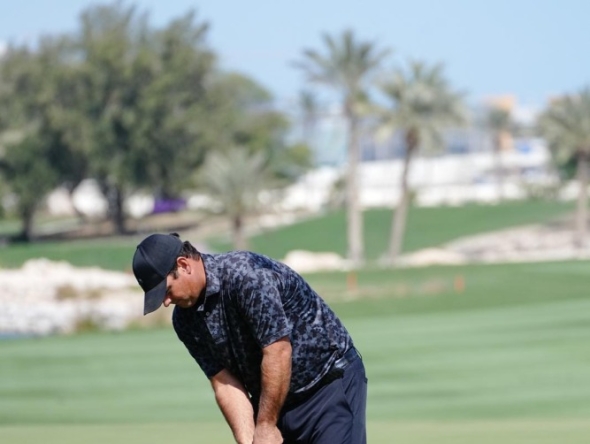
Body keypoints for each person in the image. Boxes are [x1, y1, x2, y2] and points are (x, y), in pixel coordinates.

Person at [132, 232, 367, 444]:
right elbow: (224, 383)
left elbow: (277, 351)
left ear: (184, 265)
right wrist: (250, 440)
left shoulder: (246, 277)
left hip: (327, 385)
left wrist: (265, 426)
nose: (166, 302)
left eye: (167, 290)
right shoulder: (184, 320)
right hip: (273, 401)